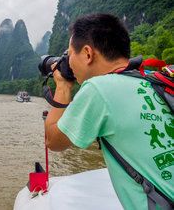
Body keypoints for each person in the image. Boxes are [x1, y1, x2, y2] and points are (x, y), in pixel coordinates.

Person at [44, 13, 174, 209]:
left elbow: (53, 141)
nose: (68, 62)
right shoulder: (150, 79)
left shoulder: (98, 89)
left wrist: (63, 87)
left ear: (88, 53)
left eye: (70, 55)